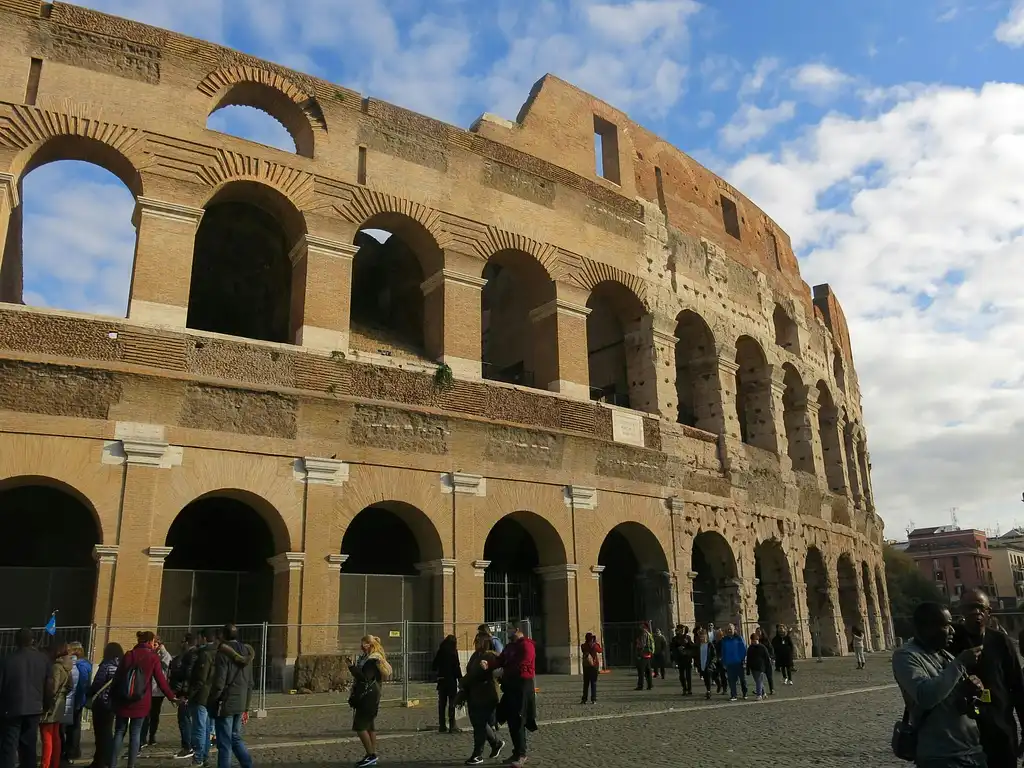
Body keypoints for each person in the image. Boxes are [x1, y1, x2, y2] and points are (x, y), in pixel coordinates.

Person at [892, 601, 987, 768]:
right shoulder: (906, 656)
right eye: (946, 625)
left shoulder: (944, 654)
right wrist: (960, 663)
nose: (952, 630)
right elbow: (926, 696)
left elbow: (968, 707)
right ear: (926, 627)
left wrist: (973, 692)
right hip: (941, 757)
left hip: (972, 753)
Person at [949, 588, 1024, 768]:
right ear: (961, 611)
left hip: (1000, 728)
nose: (975, 612)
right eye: (969, 607)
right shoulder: (952, 642)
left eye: (979, 607)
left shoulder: (1001, 642)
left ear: (988, 612)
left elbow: (1019, 688)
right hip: (963, 732)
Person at [109, 631, 177, 768]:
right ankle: (131, 765)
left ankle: (113, 764)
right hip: (141, 701)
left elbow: (117, 677)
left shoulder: (129, 655)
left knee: (119, 732)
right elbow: (161, 681)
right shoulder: (153, 658)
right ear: (150, 642)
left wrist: (112, 696)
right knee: (135, 733)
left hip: (124, 700)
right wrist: (171, 697)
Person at [484, 623, 536, 768]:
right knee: (511, 719)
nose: (508, 632)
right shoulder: (509, 646)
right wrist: (489, 665)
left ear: (518, 630)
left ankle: (521, 753)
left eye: (510, 630)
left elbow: (522, 663)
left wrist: (504, 670)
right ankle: (516, 751)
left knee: (519, 719)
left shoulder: (526, 645)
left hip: (522, 686)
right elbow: (501, 659)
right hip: (510, 686)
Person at [0, 627, 53, 768]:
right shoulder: (43, 659)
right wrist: (47, 705)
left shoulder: (7, 660)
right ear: (33, 641)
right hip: (34, 708)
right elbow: (49, 685)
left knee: (8, 748)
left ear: (16, 642)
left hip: (11, 709)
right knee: (29, 747)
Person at [207, 624, 255, 768]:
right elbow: (250, 683)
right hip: (240, 701)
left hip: (226, 702)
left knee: (224, 742)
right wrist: (246, 706)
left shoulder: (223, 653)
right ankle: (247, 764)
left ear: (223, 635)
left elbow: (219, 682)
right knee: (234, 737)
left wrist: (212, 700)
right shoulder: (247, 652)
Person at [458, 632, 505, 765]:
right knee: (479, 723)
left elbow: (478, 674)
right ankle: (496, 743)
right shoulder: (475, 655)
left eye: (479, 641)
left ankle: (477, 754)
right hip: (473, 694)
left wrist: (464, 681)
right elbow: (470, 671)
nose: (477, 643)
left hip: (486, 695)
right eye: (476, 640)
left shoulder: (491, 656)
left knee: (480, 724)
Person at [347, 635, 392, 768]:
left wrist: (351, 667)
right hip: (372, 696)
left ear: (370, 645)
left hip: (368, 697)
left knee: (360, 726)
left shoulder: (372, 660)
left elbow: (364, 677)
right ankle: (371, 754)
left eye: (363, 644)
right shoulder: (368, 658)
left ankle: (371, 755)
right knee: (369, 726)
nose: (361, 647)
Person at [87, 643, 123, 768]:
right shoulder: (121, 667)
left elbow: (97, 683)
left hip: (102, 703)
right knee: (107, 733)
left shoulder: (106, 666)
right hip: (112, 704)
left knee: (101, 734)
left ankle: (100, 761)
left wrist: (89, 693)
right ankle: (106, 760)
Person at [184, 628, 217, 766]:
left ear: (204, 638)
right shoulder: (218, 652)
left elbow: (200, 678)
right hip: (211, 695)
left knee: (199, 728)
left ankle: (198, 757)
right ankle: (204, 756)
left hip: (201, 696)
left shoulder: (204, 654)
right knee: (207, 727)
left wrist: (190, 694)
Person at [39, 644, 75, 768]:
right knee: (56, 736)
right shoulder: (68, 667)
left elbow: (52, 688)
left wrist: (47, 699)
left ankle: (46, 764)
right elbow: (70, 686)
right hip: (60, 704)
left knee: (47, 736)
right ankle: (55, 763)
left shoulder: (56, 667)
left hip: (52, 706)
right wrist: (63, 695)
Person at [168, 634, 196, 759]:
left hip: (186, 693)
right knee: (188, 720)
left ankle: (188, 747)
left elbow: (187, 676)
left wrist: (183, 693)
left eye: (182, 641)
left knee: (184, 720)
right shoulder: (188, 655)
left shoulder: (190, 656)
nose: (180, 643)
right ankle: (192, 745)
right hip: (187, 692)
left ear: (187, 642)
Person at [141, 637, 172, 748]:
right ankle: (143, 738)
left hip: (158, 691)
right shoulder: (149, 654)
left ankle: (152, 736)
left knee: (154, 715)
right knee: (146, 715)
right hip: (149, 690)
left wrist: (161, 651)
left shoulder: (164, 655)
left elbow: (166, 666)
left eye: (155, 644)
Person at [63, 641, 91, 763]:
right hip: (77, 699)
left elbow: (82, 684)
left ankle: (72, 751)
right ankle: (72, 750)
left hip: (75, 700)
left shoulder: (80, 666)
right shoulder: (84, 664)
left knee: (72, 727)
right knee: (74, 726)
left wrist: (79, 700)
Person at [432, 635, 462, 734]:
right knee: (452, 703)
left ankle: (442, 725)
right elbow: (456, 667)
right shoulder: (453, 652)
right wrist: (460, 679)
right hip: (451, 681)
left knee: (442, 704)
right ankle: (452, 725)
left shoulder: (440, 651)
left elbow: (434, 665)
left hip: (441, 680)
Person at [720, 623, 747, 702]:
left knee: (742, 680)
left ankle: (744, 693)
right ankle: (733, 695)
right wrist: (724, 662)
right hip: (729, 663)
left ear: (734, 630)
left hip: (739, 662)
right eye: (728, 629)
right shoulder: (724, 640)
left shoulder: (739, 638)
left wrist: (742, 659)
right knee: (731, 680)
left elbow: (743, 649)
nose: (729, 630)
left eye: (730, 629)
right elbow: (723, 651)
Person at [745, 633, 772, 701]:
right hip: (753, 667)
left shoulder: (762, 647)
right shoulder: (750, 648)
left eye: (755, 640)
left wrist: (768, 667)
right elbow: (748, 659)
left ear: (758, 640)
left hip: (760, 667)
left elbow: (766, 657)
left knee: (758, 681)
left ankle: (759, 694)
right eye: (752, 640)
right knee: (758, 681)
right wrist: (748, 669)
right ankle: (764, 693)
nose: (754, 642)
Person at [670, 625, 694, 695]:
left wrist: (688, 643)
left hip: (687, 658)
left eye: (680, 630)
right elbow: (672, 649)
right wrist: (673, 660)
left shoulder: (687, 637)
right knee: (682, 676)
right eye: (678, 630)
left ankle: (689, 689)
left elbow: (692, 647)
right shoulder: (674, 639)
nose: (679, 631)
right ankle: (684, 688)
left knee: (688, 676)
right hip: (680, 659)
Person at [579, 632, 602, 705]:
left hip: (586, 666)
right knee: (593, 683)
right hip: (594, 666)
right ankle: (593, 699)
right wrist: (596, 642)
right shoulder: (595, 646)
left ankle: (584, 699)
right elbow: (600, 650)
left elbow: (583, 649)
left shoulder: (583, 646)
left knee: (586, 683)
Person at [694, 628, 717, 700]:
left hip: (709, 664)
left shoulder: (710, 645)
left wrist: (712, 662)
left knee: (708, 678)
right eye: (700, 637)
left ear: (706, 636)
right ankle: (708, 689)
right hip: (702, 665)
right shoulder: (698, 646)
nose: (702, 638)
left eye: (703, 637)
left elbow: (714, 655)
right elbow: (696, 656)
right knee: (705, 679)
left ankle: (709, 691)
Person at [634, 622, 654, 691]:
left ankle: (640, 685)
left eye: (641, 626)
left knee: (641, 671)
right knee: (648, 671)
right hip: (648, 654)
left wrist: (639, 652)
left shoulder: (643, 634)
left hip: (643, 654)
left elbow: (642, 644)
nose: (640, 627)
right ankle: (650, 685)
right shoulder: (649, 634)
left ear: (644, 627)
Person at [755, 627, 775, 695]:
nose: (757, 633)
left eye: (759, 631)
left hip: (767, 660)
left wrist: (771, 657)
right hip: (759, 661)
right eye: (756, 631)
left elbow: (771, 649)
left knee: (769, 675)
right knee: (759, 677)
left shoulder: (766, 641)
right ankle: (760, 689)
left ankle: (772, 689)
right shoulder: (755, 641)